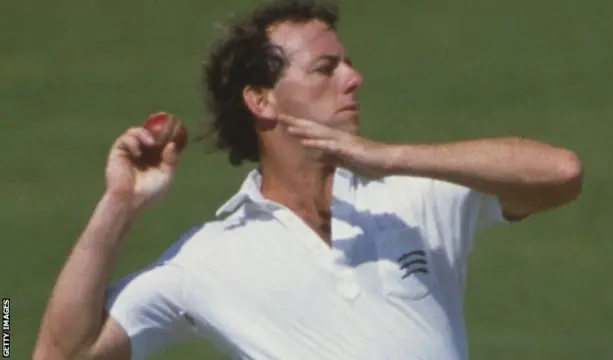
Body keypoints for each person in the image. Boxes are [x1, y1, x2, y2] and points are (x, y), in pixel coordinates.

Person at [32, 0, 584, 359]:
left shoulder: (415, 192)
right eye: (326, 69)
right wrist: (120, 204)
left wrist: (388, 157)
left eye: (346, 64)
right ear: (261, 100)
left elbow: (561, 174)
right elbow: (60, 354)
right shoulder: (207, 260)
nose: (354, 78)